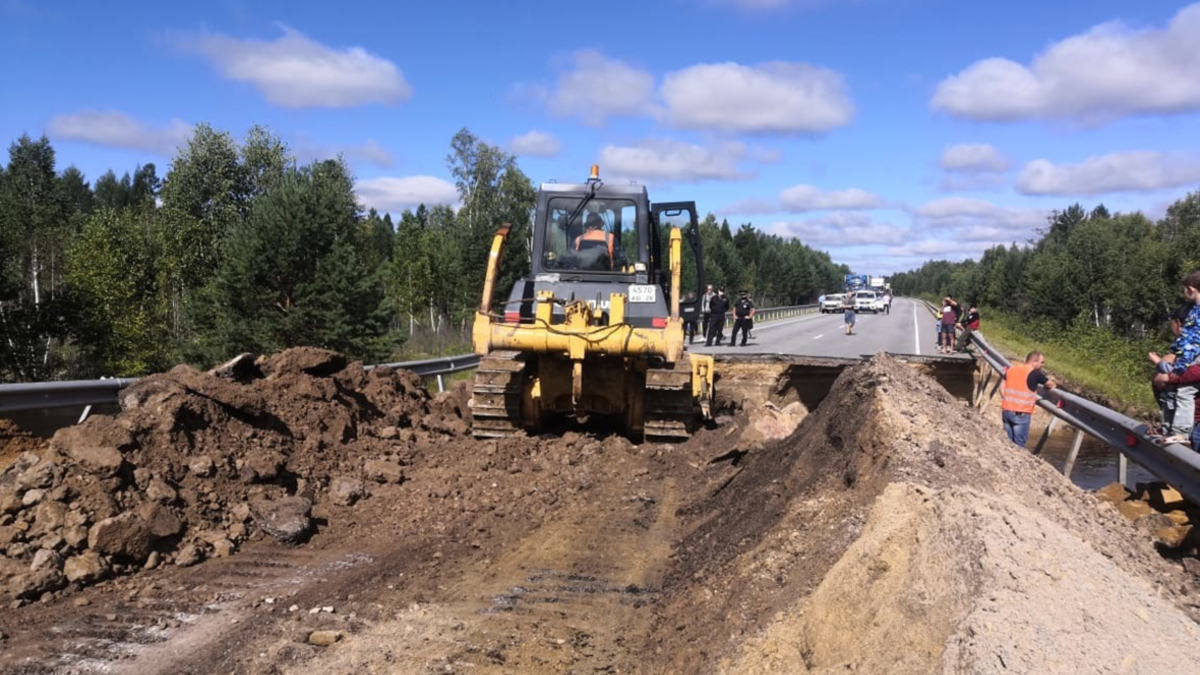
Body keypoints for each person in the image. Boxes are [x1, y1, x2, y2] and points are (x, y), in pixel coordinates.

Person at [1001, 351, 1057, 447]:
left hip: (1006, 411)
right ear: (1034, 361)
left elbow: (1001, 387)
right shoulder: (1035, 373)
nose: (1043, 365)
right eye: (1042, 362)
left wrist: (1006, 399)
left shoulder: (1012, 369)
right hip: (1021, 413)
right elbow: (1050, 384)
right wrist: (1052, 386)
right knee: (1019, 446)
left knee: (1008, 445)